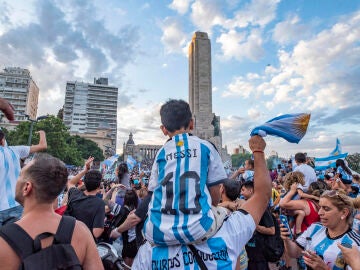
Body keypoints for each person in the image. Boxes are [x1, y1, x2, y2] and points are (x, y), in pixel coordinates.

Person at [132, 135, 272, 268]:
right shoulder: (230, 229)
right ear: (217, 187)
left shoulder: (148, 251)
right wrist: (258, 151)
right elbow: (262, 195)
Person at [139, 99, 229, 246]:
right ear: (192, 124)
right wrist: (212, 206)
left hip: (156, 233)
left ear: (164, 129)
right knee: (228, 217)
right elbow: (215, 190)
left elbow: (153, 191)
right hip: (199, 230)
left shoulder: (161, 153)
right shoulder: (206, 147)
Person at [0, 153, 103, 269]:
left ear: (27, 187)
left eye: (19, 176)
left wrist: (85, 170)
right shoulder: (80, 232)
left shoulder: (4, 242)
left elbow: (70, 183)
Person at [280, 189, 360, 270]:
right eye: (320, 207)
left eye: (326, 209)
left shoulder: (354, 244)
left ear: (344, 213)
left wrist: (324, 268)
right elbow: (294, 253)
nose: (319, 213)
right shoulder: (316, 228)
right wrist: (287, 239)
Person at [0, 129, 47, 227]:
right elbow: (43, 146)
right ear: (3, 139)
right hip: (17, 205)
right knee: (14, 240)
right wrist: (42, 133)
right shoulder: (16, 150)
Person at [66, 159, 105, 240]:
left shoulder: (74, 194)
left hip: (68, 239)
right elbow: (96, 232)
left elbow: (70, 183)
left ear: (84, 183)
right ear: (98, 186)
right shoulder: (99, 203)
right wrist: (102, 222)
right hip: (85, 243)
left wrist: (85, 170)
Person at [241, 181, 275, 270]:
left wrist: (253, 224)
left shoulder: (261, 207)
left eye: (243, 190)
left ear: (251, 191)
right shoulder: (246, 206)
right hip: (250, 254)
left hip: (260, 256)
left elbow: (272, 230)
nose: (241, 193)